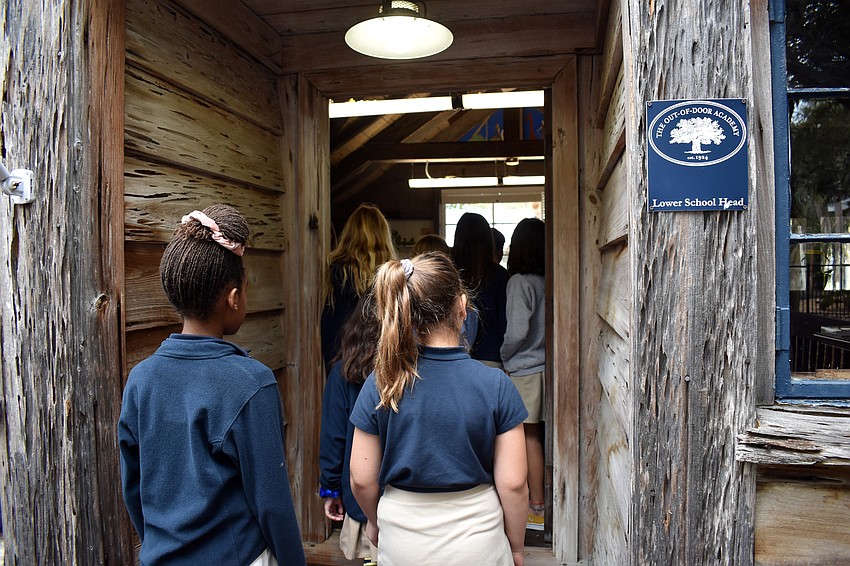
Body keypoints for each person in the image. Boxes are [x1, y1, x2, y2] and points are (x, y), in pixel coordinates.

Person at [118, 204, 306, 566]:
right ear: (233, 298)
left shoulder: (141, 379)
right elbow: (272, 503)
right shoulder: (252, 383)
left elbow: (133, 486)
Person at [349, 253, 529, 566]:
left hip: (403, 540)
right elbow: (513, 484)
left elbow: (362, 479)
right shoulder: (496, 385)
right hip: (478, 542)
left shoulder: (381, 384)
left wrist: (375, 521)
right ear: (462, 308)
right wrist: (515, 546)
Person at [319, 294, 379, 564]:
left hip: (360, 496)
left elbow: (334, 436)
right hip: (405, 500)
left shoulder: (343, 373)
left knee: (370, 559)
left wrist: (331, 489)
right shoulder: (410, 371)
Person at [500, 218, 547, 532]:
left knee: (527, 438)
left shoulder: (519, 282)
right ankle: (541, 504)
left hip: (524, 369)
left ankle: (536, 507)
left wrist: (503, 355)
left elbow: (516, 331)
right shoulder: (546, 279)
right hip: (545, 367)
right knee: (539, 436)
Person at [321, 203, 396, 371]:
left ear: (349, 236)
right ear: (383, 238)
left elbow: (328, 336)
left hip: (342, 368)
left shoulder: (334, 277)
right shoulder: (391, 280)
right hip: (382, 371)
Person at [451, 212, 509, 366]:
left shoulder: (449, 274)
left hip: (455, 357)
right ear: (488, 240)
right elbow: (505, 323)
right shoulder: (500, 275)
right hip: (492, 357)